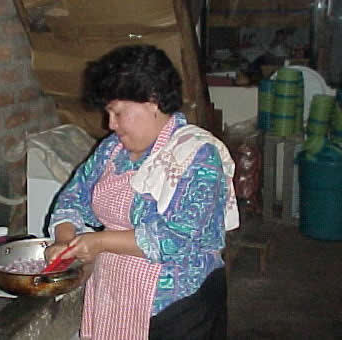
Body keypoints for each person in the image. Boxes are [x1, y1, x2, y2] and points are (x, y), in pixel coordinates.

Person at [45, 44, 239, 340]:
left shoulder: (197, 155)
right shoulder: (112, 149)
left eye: (118, 112)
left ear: (152, 100)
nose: (110, 124)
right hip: (114, 298)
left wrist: (99, 241)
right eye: (108, 113)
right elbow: (74, 196)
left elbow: (175, 237)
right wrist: (65, 242)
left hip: (179, 311)